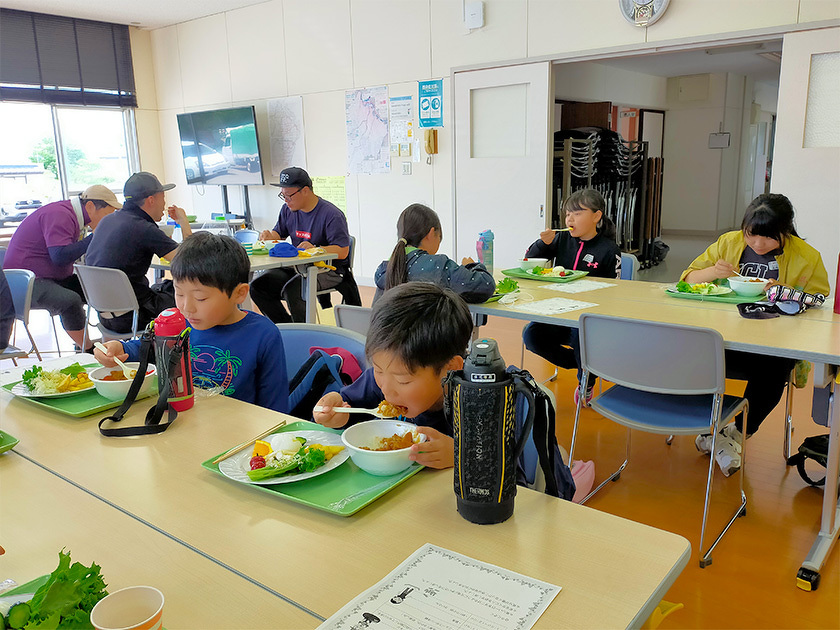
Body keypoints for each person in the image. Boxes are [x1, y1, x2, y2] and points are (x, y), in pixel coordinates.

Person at [683, 193, 830, 476]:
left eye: (769, 238)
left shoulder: (807, 257)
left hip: (771, 344)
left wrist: (784, 289)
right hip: (724, 338)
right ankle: (714, 431)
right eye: (752, 235)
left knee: (776, 365)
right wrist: (714, 271)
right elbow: (687, 279)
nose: (758, 244)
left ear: (785, 232)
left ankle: (734, 432)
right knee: (692, 350)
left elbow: (819, 302)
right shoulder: (729, 242)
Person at [94, 232, 289, 413]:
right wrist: (119, 348)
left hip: (237, 434)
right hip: (184, 425)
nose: (187, 308)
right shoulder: (178, 324)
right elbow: (148, 348)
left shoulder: (263, 335)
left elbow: (275, 408)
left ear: (239, 293)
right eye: (179, 293)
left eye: (200, 298)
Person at [313, 282, 474, 469]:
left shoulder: (483, 401)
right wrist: (337, 415)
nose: (387, 392)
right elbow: (348, 404)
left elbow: (509, 468)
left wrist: (462, 457)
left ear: (450, 368)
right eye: (378, 369)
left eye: (403, 380)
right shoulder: (380, 379)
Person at [521, 188, 621, 406]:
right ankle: (585, 365)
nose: (570, 218)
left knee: (580, 339)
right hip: (558, 312)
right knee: (531, 335)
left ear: (596, 216)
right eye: (568, 214)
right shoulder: (561, 239)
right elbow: (529, 260)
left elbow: (616, 290)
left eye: (577, 213)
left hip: (589, 318)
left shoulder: (608, 249)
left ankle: (586, 380)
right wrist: (544, 243)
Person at [2, 185, 121, 351]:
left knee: (98, 287)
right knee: (69, 301)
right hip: (26, 282)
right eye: (108, 214)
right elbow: (60, 256)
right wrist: (96, 236)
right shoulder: (60, 214)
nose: (109, 220)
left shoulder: (72, 216)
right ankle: (88, 349)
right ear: (90, 206)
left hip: (48, 276)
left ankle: (111, 341)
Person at [86, 172, 193, 333]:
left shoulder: (108, 221)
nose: (164, 204)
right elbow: (191, 261)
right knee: (191, 295)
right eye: (163, 198)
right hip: (134, 317)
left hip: (104, 316)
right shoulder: (144, 228)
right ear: (151, 200)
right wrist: (184, 223)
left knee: (164, 287)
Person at [249, 167, 353, 323]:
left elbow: (343, 251)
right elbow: (279, 233)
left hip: (329, 270)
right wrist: (269, 237)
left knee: (295, 290)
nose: (286, 200)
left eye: (289, 196)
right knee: (258, 287)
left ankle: (304, 334)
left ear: (305, 191)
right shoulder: (288, 210)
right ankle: (287, 327)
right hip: (296, 267)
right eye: (283, 196)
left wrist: (317, 250)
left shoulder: (331, 214)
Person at [372, 203, 494, 305]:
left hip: (389, 334)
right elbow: (485, 286)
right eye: (439, 236)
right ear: (431, 234)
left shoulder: (386, 268)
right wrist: (471, 266)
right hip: (430, 334)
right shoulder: (438, 266)